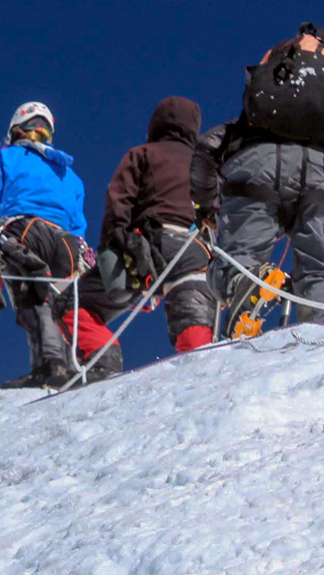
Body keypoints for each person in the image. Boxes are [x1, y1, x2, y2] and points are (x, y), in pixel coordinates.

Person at [209, 24, 324, 329]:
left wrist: (206, 205)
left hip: (256, 167)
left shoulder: (256, 119)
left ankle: (246, 286)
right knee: (321, 272)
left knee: (238, 258)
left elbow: (207, 148)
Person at [63, 97, 218, 372]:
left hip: (147, 249)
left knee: (69, 305)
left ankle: (104, 362)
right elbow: (218, 213)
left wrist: (113, 246)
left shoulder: (143, 153)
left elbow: (118, 199)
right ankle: (203, 379)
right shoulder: (204, 164)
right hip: (195, 254)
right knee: (195, 335)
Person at [0, 102, 91, 389]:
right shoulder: (69, 175)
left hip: (21, 231)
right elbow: (78, 224)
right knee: (60, 302)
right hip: (67, 243)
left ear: (15, 130)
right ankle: (69, 366)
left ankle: (50, 367)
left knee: (32, 298)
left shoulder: (5, 158)